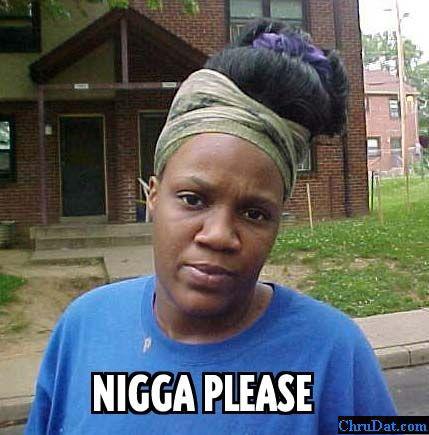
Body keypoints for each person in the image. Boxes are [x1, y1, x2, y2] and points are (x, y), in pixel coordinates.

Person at [26, 19, 397, 434]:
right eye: (193, 199)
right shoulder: (85, 329)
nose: (219, 235)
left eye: (255, 213)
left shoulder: (334, 355)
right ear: (152, 197)